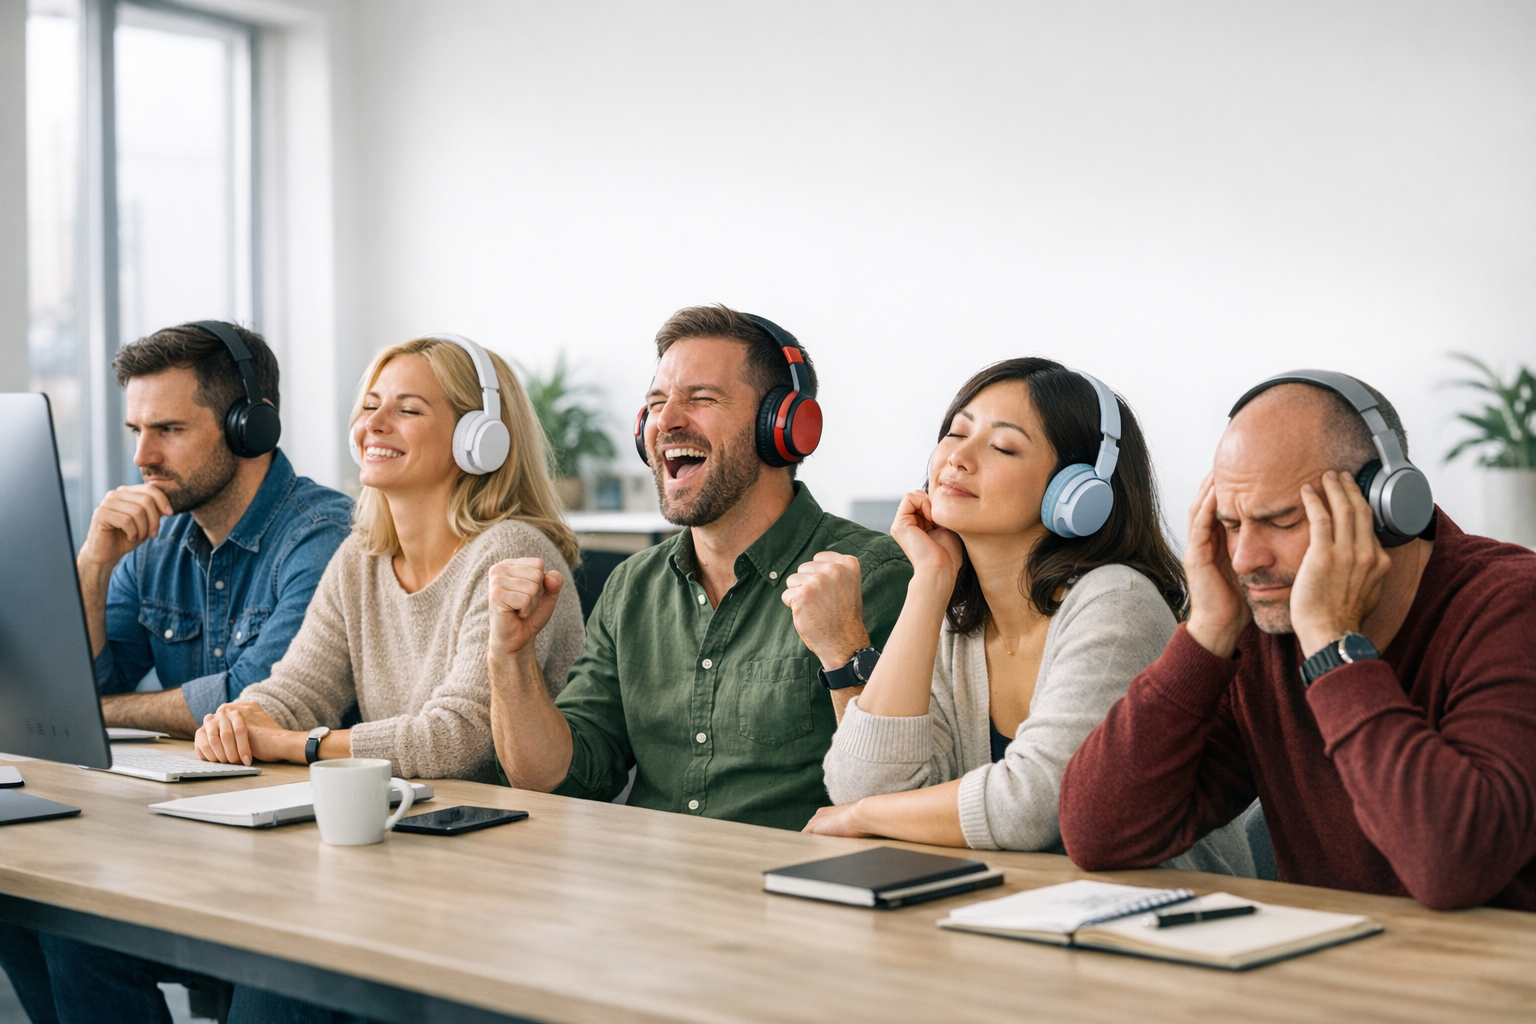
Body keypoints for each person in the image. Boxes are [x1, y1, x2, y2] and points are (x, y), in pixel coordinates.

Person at [1058, 372, 1536, 911]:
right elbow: (1098, 832)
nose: (1244, 560)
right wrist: (1206, 633)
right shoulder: (1263, 627)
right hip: (1332, 975)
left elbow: (1452, 866)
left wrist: (1332, 645)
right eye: (1230, 523)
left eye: (1281, 520)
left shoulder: (1513, 606)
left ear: (1386, 508)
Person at [0, 321, 352, 1024]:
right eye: (136, 429)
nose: (142, 456)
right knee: (43, 921)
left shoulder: (323, 536)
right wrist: (95, 562)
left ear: (249, 426)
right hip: (190, 834)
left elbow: (254, 700)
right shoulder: (155, 542)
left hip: (304, 863)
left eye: (167, 429)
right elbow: (78, 683)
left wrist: (104, 710)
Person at [791, 358, 1245, 867]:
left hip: (1163, 915)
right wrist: (931, 581)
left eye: (1002, 445)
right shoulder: (956, 623)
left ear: (1076, 491)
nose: (957, 459)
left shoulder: (1116, 602)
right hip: (1021, 910)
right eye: (955, 433)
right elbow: (862, 784)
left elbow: (1032, 805)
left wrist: (862, 818)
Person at [486, 305, 911, 830]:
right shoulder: (632, 587)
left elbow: (902, 788)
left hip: (791, 893)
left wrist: (846, 649)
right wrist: (511, 657)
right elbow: (561, 779)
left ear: (783, 426)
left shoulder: (871, 574)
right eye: (656, 403)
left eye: (702, 399)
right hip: (654, 890)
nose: (666, 421)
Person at [195, 334, 584, 783]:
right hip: (410, 820)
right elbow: (299, 689)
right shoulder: (359, 559)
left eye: (408, 409)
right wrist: (240, 720)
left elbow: (461, 739)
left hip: (509, 830)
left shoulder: (510, 553)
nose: (374, 424)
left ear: (478, 439)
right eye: (369, 406)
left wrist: (295, 743)